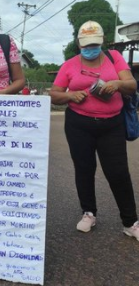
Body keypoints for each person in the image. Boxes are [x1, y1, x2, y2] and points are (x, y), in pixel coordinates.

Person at [50, 21, 139, 239]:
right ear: (79, 44)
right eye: (86, 45)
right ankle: (88, 213)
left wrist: (117, 84)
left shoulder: (114, 58)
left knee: (118, 172)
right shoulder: (69, 65)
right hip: (79, 124)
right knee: (84, 168)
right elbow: (54, 93)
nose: (90, 48)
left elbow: (131, 84)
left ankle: (130, 222)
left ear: (102, 42)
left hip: (112, 124)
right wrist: (70, 96)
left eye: (94, 44)